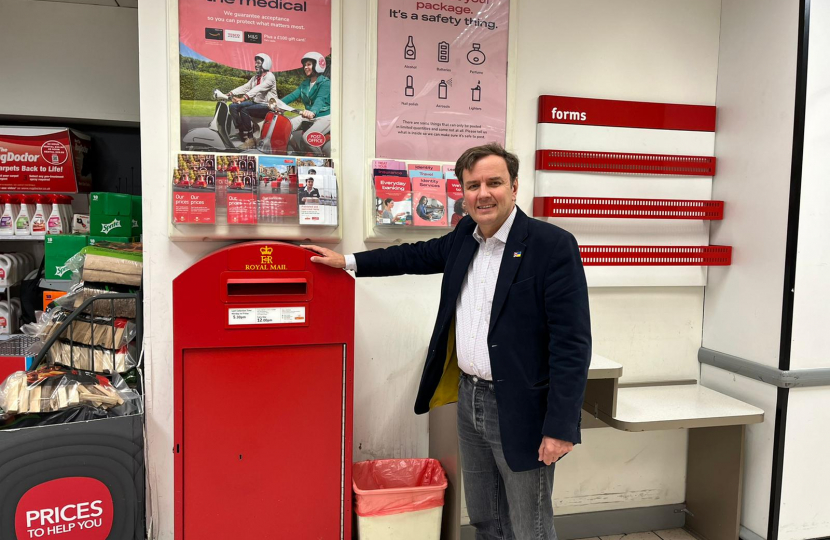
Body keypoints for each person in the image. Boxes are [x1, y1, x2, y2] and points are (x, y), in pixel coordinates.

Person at [304, 143, 591, 540]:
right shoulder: (464, 237)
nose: (483, 193)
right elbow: (413, 256)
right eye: (472, 185)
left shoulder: (551, 246)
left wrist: (560, 426)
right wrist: (349, 262)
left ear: (514, 187)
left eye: (494, 182)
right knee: (486, 517)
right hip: (469, 398)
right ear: (462, 193)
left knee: (530, 525)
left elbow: (572, 344)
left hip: (522, 407)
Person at [227, 53, 278, 150]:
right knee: (233, 106)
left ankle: (250, 139)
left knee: (244, 110)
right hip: (256, 103)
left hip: (268, 106)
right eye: (255, 63)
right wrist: (230, 93)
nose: (255, 65)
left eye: (258, 63)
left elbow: (258, 88)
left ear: (265, 64)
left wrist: (243, 98)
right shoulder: (255, 78)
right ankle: (242, 132)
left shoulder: (270, 77)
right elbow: (245, 87)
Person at [282, 52, 331, 151]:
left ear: (318, 65)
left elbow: (320, 100)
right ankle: (298, 151)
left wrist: (312, 111)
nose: (305, 67)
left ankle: (320, 159)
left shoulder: (325, 83)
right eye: (304, 65)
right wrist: (277, 103)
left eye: (308, 64)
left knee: (308, 138)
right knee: (284, 129)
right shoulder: (305, 84)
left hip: (324, 117)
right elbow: (292, 96)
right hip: (308, 116)